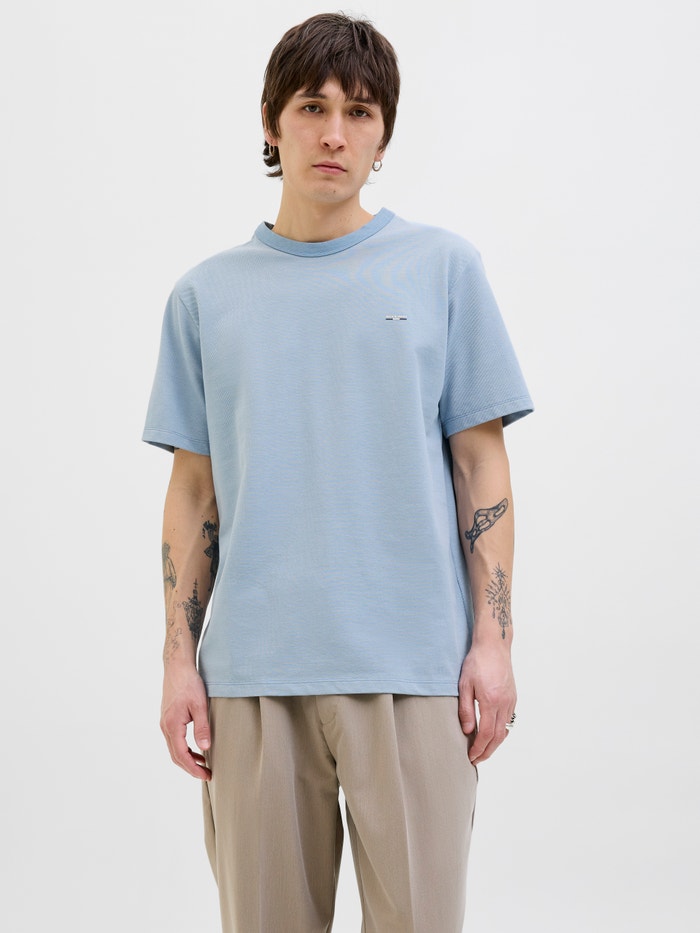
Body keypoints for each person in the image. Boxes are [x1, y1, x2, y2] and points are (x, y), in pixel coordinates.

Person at [143, 12, 533, 933]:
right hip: (252, 676)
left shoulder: (442, 270)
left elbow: (481, 463)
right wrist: (176, 660)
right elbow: (194, 492)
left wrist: (494, 642)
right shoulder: (205, 296)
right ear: (271, 122)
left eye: (359, 112)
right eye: (312, 107)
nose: (334, 133)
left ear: (382, 134)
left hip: (414, 668)